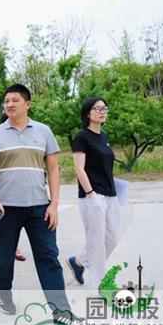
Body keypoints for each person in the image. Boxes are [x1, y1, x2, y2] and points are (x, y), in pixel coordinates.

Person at [0, 84, 79, 325]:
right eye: (6, 101)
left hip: (39, 208)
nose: (9, 104)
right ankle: (5, 296)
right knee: (4, 259)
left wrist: (54, 204)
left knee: (49, 258)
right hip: (6, 209)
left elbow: (54, 169)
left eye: (15, 100)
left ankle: (62, 314)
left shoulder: (44, 131)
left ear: (27, 104)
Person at [67, 97, 119, 290]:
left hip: (110, 194)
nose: (102, 112)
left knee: (112, 238)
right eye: (97, 109)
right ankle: (100, 285)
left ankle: (78, 261)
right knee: (96, 243)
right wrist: (91, 194)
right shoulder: (82, 137)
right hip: (92, 196)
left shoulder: (104, 136)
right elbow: (79, 169)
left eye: (104, 108)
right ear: (88, 113)